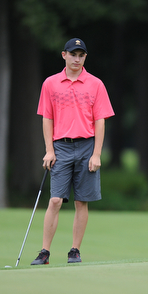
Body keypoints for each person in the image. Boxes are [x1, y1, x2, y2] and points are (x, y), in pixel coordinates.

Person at [31, 38, 115, 265]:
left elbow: (100, 121)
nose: (77, 59)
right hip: (61, 146)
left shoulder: (95, 84)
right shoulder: (50, 83)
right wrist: (49, 150)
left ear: (85, 57)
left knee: (82, 201)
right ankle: (45, 252)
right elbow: (47, 118)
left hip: (87, 145)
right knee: (55, 200)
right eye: (73, 54)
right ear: (64, 55)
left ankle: (74, 250)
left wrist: (97, 154)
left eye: (81, 55)